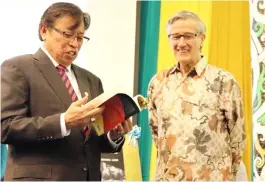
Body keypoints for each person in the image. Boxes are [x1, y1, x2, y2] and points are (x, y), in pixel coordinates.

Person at [1, 2, 132, 181]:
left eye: (80, 38)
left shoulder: (91, 80)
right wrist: (64, 122)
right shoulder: (18, 68)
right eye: (67, 35)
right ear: (44, 30)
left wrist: (113, 135)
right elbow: (6, 127)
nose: (74, 44)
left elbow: (92, 142)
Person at [147, 10, 246, 181]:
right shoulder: (158, 82)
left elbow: (238, 139)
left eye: (188, 36)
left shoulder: (224, 81)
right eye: (175, 37)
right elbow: (157, 134)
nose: (181, 43)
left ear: (202, 38)